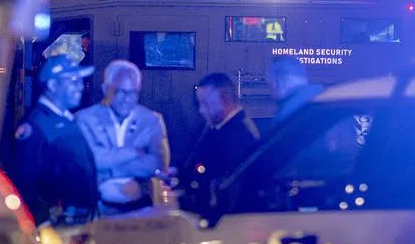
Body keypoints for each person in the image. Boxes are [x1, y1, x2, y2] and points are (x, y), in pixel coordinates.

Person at [6, 55, 99, 227]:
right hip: (56, 228)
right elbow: (24, 182)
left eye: (80, 80)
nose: (80, 86)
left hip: (77, 222)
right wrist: (41, 224)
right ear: (52, 85)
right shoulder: (35, 126)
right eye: (73, 80)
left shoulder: (64, 119)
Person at [76, 60, 171, 216]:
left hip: (141, 208)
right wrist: (134, 153)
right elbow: (91, 161)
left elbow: (158, 163)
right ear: (106, 89)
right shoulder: (84, 119)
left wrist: (138, 184)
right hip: (97, 209)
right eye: (120, 92)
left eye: (133, 93)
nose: (127, 99)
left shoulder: (151, 121)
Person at [181, 72, 260, 211]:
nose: (201, 110)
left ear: (225, 99)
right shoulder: (220, 127)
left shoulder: (239, 134)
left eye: (205, 104)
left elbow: (226, 180)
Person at [267, 55, 323, 124]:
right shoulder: (327, 98)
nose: (270, 92)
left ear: (279, 82)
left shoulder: (285, 116)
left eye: (269, 84)